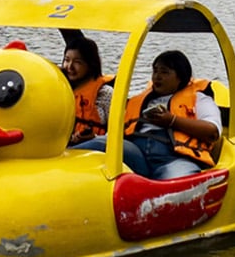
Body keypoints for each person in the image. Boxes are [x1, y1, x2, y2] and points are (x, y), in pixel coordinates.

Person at [75, 50, 221, 179]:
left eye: (164, 72)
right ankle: (60, 165)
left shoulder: (199, 99)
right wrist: (95, 138)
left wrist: (172, 121)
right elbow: (120, 131)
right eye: (155, 71)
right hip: (137, 155)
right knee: (101, 144)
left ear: (180, 77)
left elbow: (212, 132)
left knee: (177, 179)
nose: (157, 77)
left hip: (173, 159)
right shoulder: (140, 99)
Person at [59, 29, 113, 146]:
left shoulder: (105, 93)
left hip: (93, 151)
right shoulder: (60, 88)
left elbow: (118, 132)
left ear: (91, 64)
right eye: (67, 60)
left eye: (77, 62)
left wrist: (95, 138)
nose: (70, 66)